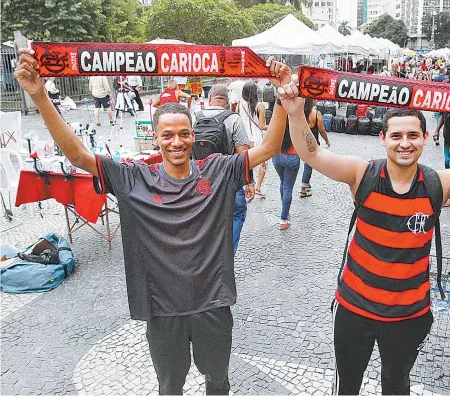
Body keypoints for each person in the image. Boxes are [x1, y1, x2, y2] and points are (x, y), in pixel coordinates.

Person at [15, 48, 294, 395]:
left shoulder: (218, 170)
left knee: (218, 381)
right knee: (170, 386)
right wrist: (40, 96)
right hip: (162, 312)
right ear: (157, 138)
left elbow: (267, 148)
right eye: (167, 135)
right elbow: (77, 156)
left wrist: (282, 96)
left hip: (213, 304)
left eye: (183, 134)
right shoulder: (135, 179)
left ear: (193, 136)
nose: (176, 142)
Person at [280, 76, 450, 395]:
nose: (404, 142)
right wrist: (295, 114)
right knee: (347, 387)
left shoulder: (440, 184)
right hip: (353, 310)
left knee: (397, 386)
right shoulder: (360, 174)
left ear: (424, 139)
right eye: (396, 135)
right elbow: (311, 155)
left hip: (408, 317)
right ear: (382, 138)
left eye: (412, 135)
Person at [195, 84, 255, 255]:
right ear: (227, 103)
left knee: (205, 219)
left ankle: (207, 257)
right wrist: (249, 182)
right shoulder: (234, 119)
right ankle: (227, 257)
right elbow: (243, 155)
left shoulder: (195, 117)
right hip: (230, 181)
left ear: (209, 98)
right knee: (236, 215)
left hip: (202, 180)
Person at [237, 81, 268, 198]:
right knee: (262, 164)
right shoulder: (260, 106)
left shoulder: (240, 105)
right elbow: (262, 126)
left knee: (246, 163)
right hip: (257, 139)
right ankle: (258, 187)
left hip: (244, 138)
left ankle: (247, 186)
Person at [299, 98, 331, 198]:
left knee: (307, 165)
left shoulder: (301, 113)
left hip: (301, 142)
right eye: (314, 99)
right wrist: (327, 140)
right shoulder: (316, 114)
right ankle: (304, 187)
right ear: (311, 101)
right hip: (312, 143)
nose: (316, 100)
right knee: (309, 165)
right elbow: (321, 130)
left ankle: (307, 185)